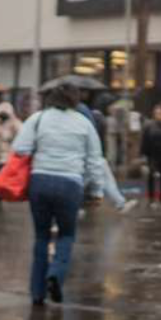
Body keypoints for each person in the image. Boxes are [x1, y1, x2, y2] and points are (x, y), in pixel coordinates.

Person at [12, 83, 105, 306]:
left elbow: (20, 148)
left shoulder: (38, 118)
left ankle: (37, 292)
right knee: (66, 234)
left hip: (40, 181)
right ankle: (56, 274)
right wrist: (96, 191)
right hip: (70, 184)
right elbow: (95, 161)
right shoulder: (84, 123)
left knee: (42, 236)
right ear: (75, 101)